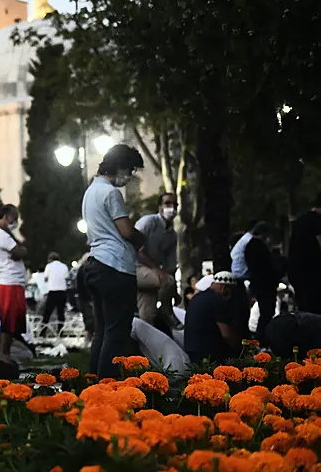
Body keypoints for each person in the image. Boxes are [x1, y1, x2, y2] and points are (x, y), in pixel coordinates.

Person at [82, 144, 147, 379]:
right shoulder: (110, 193)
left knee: (102, 331)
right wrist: (142, 238)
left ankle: (93, 382)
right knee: (117, 331)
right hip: (115, 266)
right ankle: (107, 385)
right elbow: (127, 231)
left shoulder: (91, 191)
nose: (129, 176)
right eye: (129, 170)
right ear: (119, 166)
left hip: (96, 265)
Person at [134, 192, 181, 330]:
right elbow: (136, 249)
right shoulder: (148, 222)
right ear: (160, 207)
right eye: (167, 204)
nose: (171, 208)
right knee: (167, 281)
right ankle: (167, 312)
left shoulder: (172, 234)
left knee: (148, 316)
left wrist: (174, 292)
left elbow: (170, 265)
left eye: (174, 204)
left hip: (149, 272)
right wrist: (155, 268)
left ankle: (143, 347)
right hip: (134, 266)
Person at [0, 204, 27, 360]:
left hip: (14, 281)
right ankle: (4, 354)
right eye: (14, 217)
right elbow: (19, 251)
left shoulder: (5, 234)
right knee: (8, 321)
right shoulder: (0, 234)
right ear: (6, 216)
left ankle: (7, 353)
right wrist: (21, 249)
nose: (15, 221)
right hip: (9, 281)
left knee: (14, 322)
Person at [184, 271, 241, 363]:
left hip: (192, 350)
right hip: (210, 354)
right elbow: (226, 334)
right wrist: (240, 347)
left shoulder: (196, 298)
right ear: (224, 288)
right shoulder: (218, 300)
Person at [245, 222, 283, 341]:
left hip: (259, 285)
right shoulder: (259, 247)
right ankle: (261, 339)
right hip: (265, 286)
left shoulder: (250, 246)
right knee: (267, 312)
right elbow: (267, 267)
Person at [289, 195, 321, 313]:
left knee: (304, 309)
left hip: (297, 272)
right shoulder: (318, 222)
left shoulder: (300, 221)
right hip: (313, 273)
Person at [42, 252, 69, 332]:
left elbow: (46, 278)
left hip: (53, 291)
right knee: (61, 312)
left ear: (50, 259)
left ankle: (43, 331)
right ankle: (60, 331)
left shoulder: (49, 266)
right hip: (62, 291)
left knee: (47, 312)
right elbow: (66, 277)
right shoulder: (64, 266)